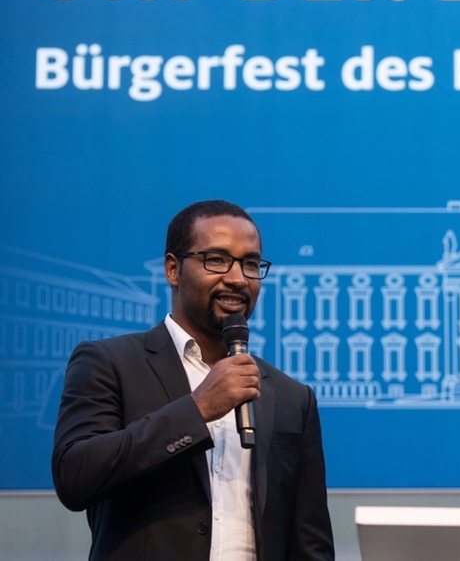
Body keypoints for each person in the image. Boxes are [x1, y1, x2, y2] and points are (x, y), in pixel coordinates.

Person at [52, 199, 335, 561]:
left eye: (250, 264)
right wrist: (198, 408)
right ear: (173, 269)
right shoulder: (108, 363)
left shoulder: (292, 397)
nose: (237, 278)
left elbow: (309, 542)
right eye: (216, 260)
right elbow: (75, 477)